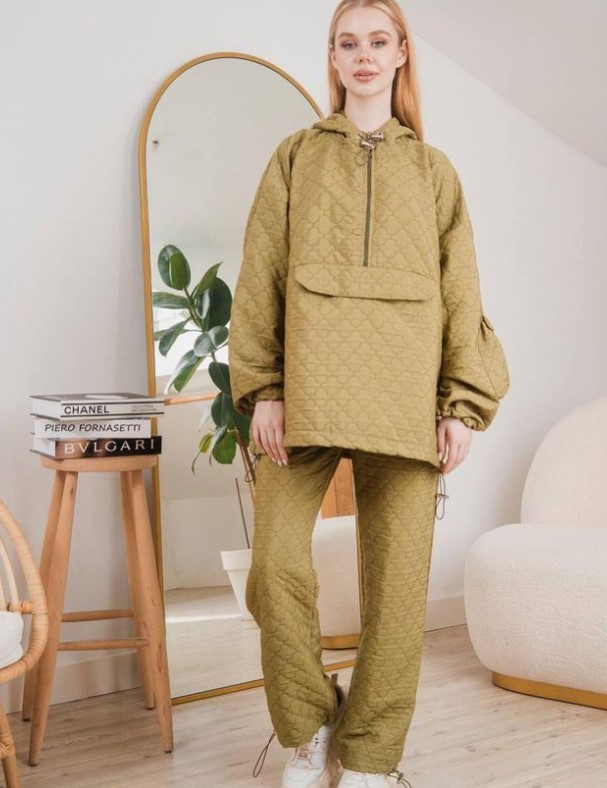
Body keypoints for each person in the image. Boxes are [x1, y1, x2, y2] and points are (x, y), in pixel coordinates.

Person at [228, 1, 510, 785]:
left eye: (377, 41)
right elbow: (260, 277)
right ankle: (309, 726)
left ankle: (371, 757)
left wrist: (459, 405)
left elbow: (460, 291)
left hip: (406, 397)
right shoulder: (293, 158)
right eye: (347, 42)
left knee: (397, 591)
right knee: (273, 568)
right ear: (332, 57)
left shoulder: (434, 171)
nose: (362, 55)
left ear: (400, 54)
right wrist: (265, 389)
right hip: (304, 393)